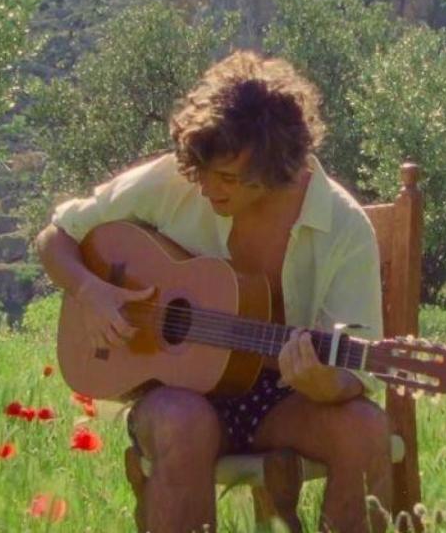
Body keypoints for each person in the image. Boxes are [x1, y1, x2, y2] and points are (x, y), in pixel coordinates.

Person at [35, 50, 392, 533]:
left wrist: (321, 382)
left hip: (283, 401)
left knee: (365, 429)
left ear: (275, 165)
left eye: (226, 177)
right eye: (200, 170)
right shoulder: (177, 178)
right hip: (178, 394)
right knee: (182, 422)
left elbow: (353, 375)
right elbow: (56, 236)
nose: (205, 188)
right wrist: (90, 291)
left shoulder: (343, 227)